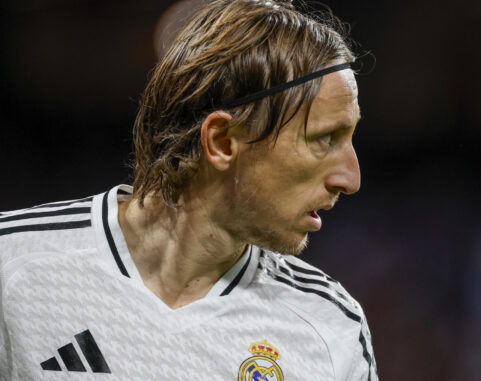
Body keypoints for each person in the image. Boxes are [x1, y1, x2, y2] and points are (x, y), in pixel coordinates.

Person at [0, 0, 377, 379]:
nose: (350, 178)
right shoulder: (12, 266)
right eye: (324, 139)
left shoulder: (330, 328)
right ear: (223, 141)